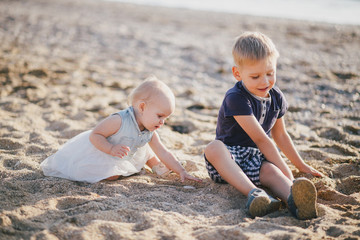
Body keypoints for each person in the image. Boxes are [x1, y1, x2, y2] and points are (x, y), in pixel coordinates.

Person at [204, 32, 323, 219]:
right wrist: (290, 176)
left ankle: (295, 200)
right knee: (213, 148)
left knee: (272, 172)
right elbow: (261, 139)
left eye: (270, 73)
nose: (265, 81)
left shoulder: (276, 97)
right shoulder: (236, 98)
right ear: (237, 73)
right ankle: (255, 194)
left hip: (255, 159)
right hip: (228, 159)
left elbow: (281, 136)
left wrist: (301, 166)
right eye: (255, 76)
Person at [41, 76, 200, 184]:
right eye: (160, 116)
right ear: (142, 107)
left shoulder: (150, 130)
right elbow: (95, 135)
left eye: (166, 118)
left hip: (127, 151)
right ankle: (129, 166)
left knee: (148, 151)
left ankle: (157, 166)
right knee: (111, 175)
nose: (162, 122)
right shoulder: (119, 120)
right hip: (103, 150)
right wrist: (111, 148)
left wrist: (180, 170)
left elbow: (163, 151)